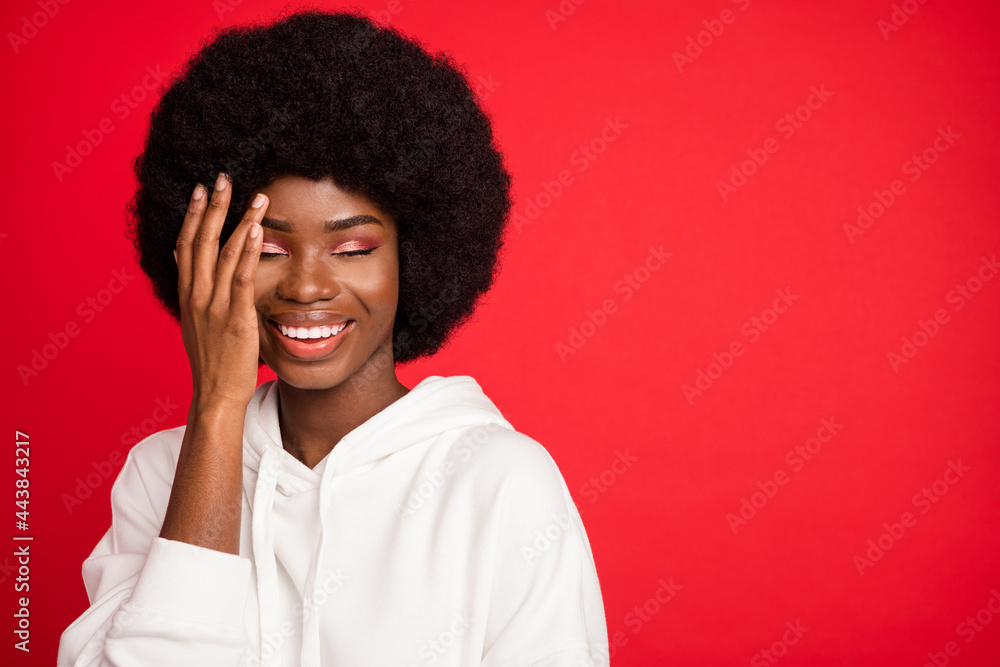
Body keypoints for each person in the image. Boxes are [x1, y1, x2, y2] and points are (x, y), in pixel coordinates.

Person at [57, 8, 608, 667]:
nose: (308, 286)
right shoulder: (161, 474)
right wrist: (217, 410)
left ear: (416, 256)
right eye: (266, 248)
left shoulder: (502, 483)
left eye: (352, 248)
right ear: (207, 256)